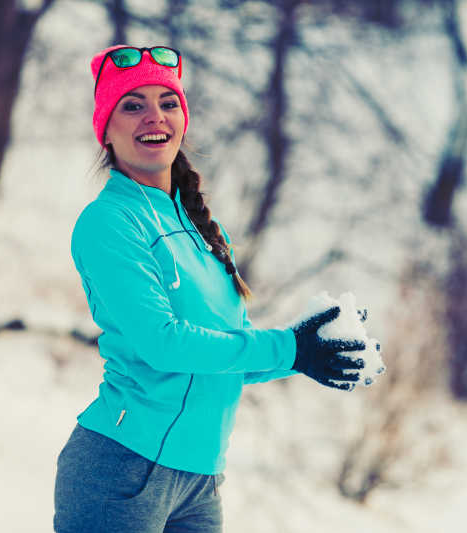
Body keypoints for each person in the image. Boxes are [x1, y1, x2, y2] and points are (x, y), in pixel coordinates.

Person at [53, 44, 366, 533]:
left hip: (200, 480)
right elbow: (162, 343)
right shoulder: (109, 222)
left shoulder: (202, 228)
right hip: (122, 469)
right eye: (132, 105)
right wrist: (285, 346)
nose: (153, 116)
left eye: (167, 102)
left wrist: (301, 354)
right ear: (106, 129)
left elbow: (222, 362)